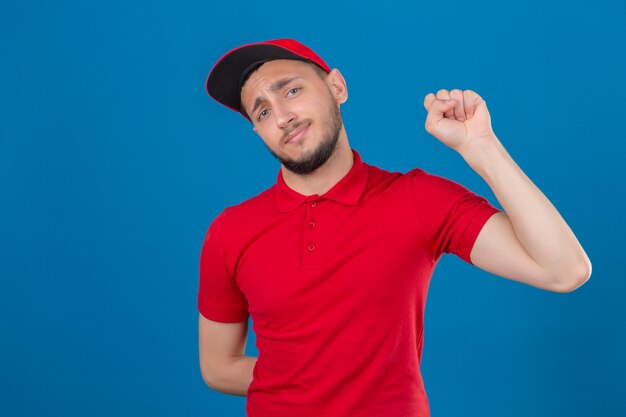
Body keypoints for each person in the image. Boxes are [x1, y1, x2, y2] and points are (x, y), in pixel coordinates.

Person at [197, 39, 592, 417]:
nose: (282, 116)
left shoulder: (417, 199)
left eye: (292, 91)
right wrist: (308, 379)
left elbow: (563, 270)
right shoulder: (231, 231)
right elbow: (218, 367)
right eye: (262, 112)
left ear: (336, 86)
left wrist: (482, 147)